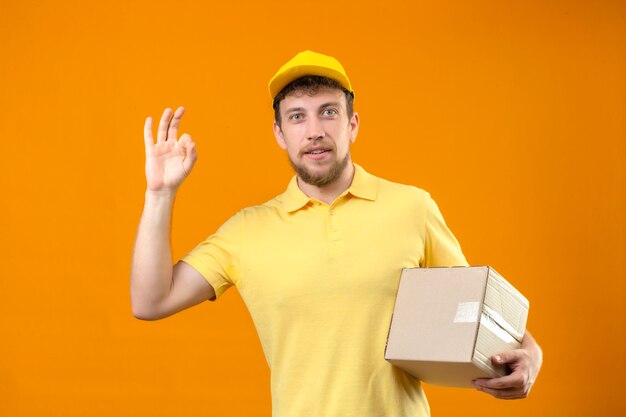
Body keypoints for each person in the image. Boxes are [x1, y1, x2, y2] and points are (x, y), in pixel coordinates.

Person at [130, 50, 543, 416]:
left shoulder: (412, 207)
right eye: (297, 116)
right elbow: (151, 301)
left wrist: (532, 356)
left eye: (328, 112)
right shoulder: (246, 230)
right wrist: (160, 193)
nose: (315, 130)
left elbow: (475, 307)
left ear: (353, 124)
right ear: (279, 133)